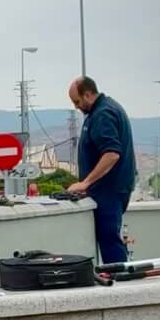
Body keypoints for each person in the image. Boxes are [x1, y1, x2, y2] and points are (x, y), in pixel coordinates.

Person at [67, 75, 137, 264]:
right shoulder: (107, 108)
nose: (76, 106)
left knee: (109, 240)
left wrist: (86, 182)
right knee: (110, 239)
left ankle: (120, 285)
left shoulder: (102, 114)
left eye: (77, 101)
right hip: (113, 189)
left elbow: (112, 153)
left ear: (88, 94)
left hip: (109, 190)